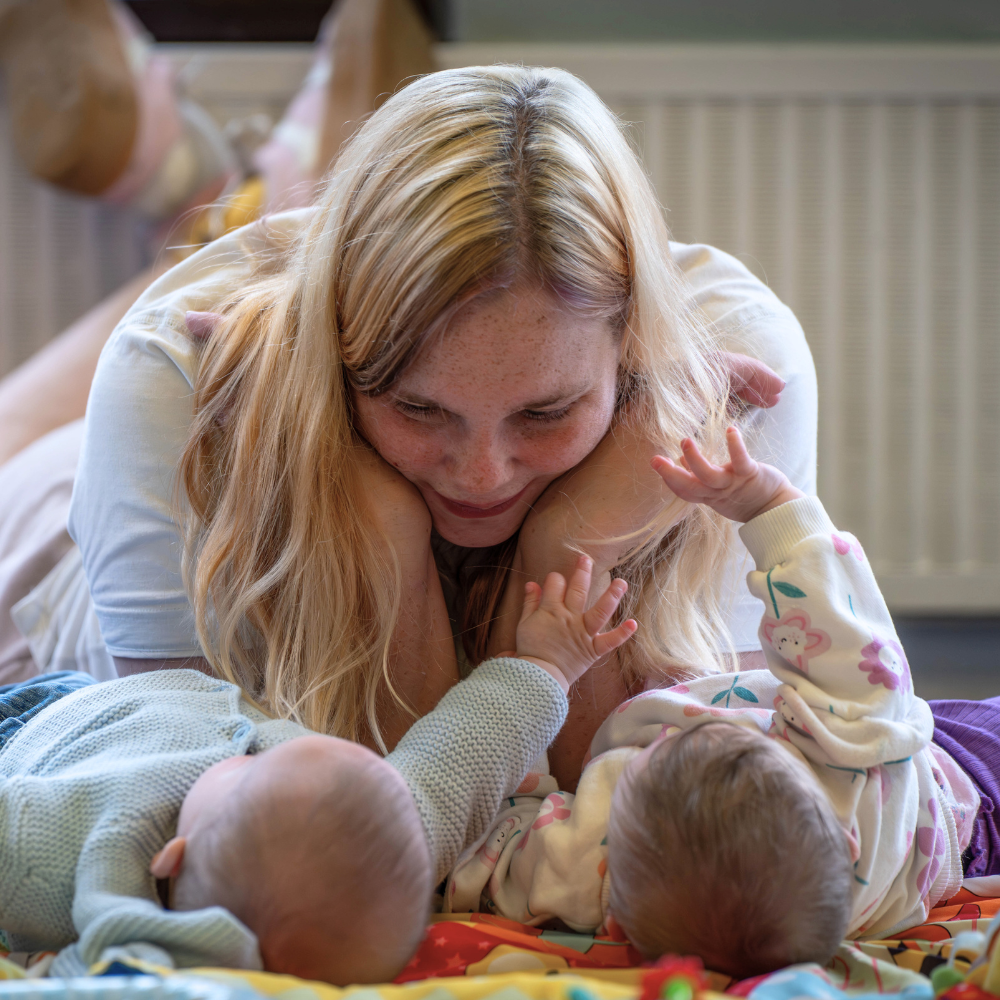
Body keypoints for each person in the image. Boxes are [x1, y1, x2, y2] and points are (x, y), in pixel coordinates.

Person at [3, 63, 816, 790]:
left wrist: (574, 545)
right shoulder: (165, 380)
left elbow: (668, 793)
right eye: (417, 407)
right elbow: (221, 811)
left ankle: (281, 174)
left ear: (628, 354)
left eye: (546, 412)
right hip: (45, 538)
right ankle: (257, 185)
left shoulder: (731, 374)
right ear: (338, 362)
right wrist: (373, 527)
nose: (481, 474)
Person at [444, 426, 996, 981]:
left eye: (671, 753)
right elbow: (848, 636)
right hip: (960, 790)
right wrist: (771, 506)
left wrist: (541, 673)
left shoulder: (578, 869)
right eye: (755, 741)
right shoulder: (849, 761)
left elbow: (490, 841)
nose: (711, 726)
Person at [0, 555, 636, 983]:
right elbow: (455, 762)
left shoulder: (59, 851)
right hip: (117, 701)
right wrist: (547, 666)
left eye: (251, 773)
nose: (263, 749)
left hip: (39, 728)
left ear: (174, 856)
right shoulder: (380, 849)